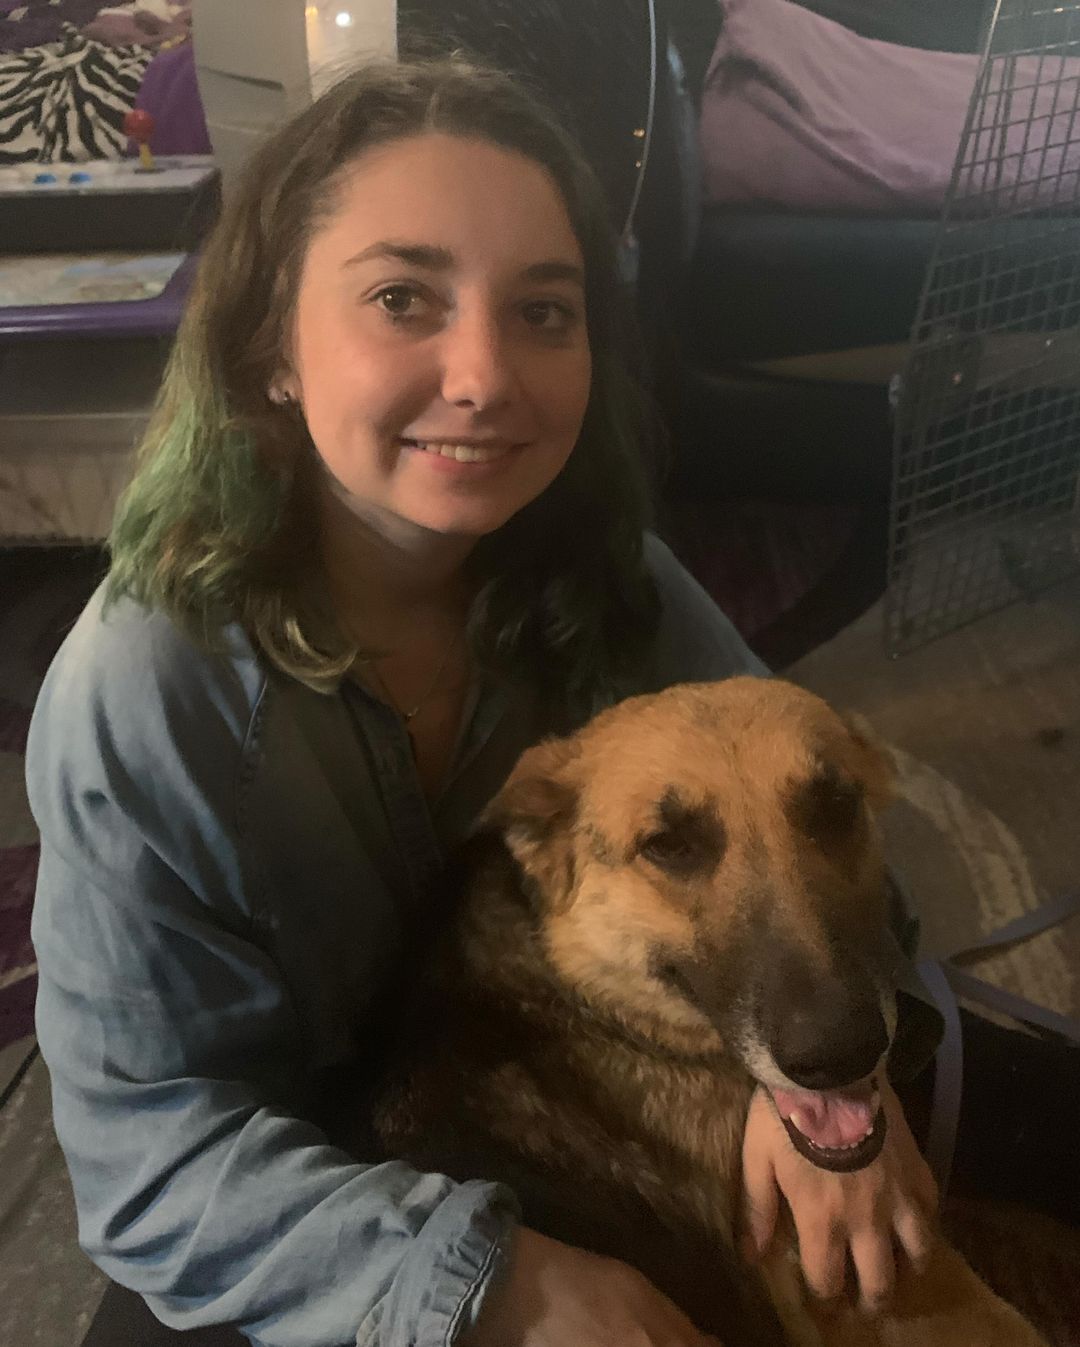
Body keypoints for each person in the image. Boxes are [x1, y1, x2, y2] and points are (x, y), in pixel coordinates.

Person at [29, 56, 944, 1347]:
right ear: (269, 348)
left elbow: (827, 840)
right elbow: (151, 1163)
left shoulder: (612, 580)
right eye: (404, 297)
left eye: (544, 312)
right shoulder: (146, 695)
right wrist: (493, 1284)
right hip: (303, 1184)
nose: (484, 374)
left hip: (578, 1084)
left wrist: (838, 1105)